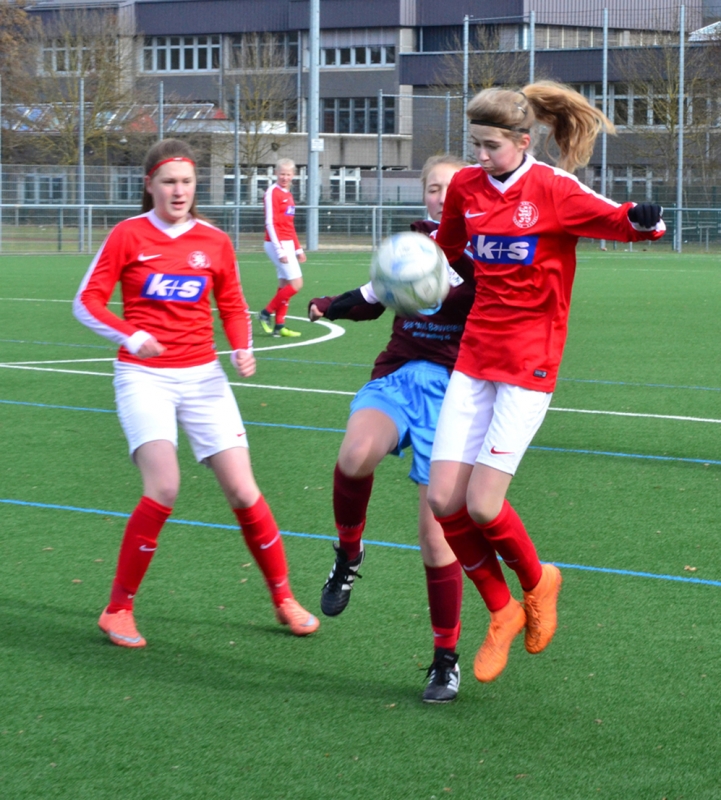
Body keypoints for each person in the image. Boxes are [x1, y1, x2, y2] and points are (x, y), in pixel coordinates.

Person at [427, 81, 665, 685]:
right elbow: (446, 250)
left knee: (483, 503)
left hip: (530, 364)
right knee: (443, 500)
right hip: (475, 358)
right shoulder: (466, 187)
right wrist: (409, 270)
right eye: (475, 144)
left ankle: (538, 584)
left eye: (491, 146)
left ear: (523, 141)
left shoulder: (555, 190)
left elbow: (621, 221)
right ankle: (502, 610)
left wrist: (643, 220)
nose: (481, 156)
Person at [73, 138, 319, 648]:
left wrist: (242, 347)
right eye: (169, 181)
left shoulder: (214, 241)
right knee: (164, 486)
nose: (178, 190)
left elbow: (231, 305)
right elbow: (87, 301)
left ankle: (284, 599)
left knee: (243, 490)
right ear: (150, 185)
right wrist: (131, 336)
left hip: (204, 377)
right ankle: (118, 609)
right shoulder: (128, 234)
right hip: (144, 377)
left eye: (186, 181)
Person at [309, 154, 475, 703]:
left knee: (435, 538)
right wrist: (329, 305)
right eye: (434, 188)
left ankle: (444, 661)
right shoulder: (413, 245)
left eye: (452, 190)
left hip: (454, 394)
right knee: (356, 454)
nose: (441, 198)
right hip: (399, 375)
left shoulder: (485, 251)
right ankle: (348, 554)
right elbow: (373, 296)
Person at [258, 158, 305, 338]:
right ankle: (265, 313)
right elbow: (270, 223)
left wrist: (298, 249)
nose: (285, 177)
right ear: (276, 173)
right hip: (276, 243)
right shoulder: (272, 192)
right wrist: (279, 250)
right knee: (296, 284)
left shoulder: (288, 194)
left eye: (288, 174)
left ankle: (279, 325)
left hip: (287, 243)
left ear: (293, 175)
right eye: (282, 174)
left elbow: (289, 225)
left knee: (285, 284)